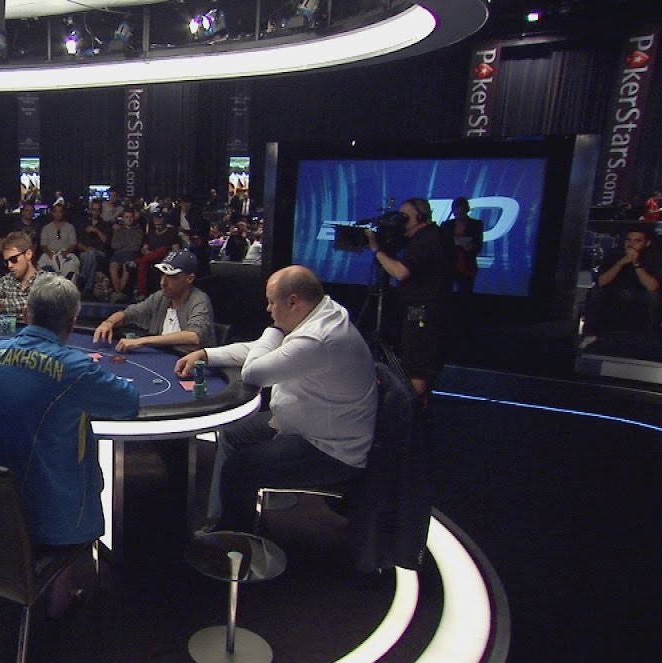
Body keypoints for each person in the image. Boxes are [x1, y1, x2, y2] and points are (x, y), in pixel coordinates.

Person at [0, 274, 139, 613]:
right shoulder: (75, 367)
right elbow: (128, 402)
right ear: (71, 322)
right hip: (49, 515)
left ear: (25, 314)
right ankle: (58, 605)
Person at [175, 266, 377, 532]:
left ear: (293, 301)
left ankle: (233, 537)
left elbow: (253, 371)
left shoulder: (319, 338)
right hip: (307, 426)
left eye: (271, 302)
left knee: (239, 469)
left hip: (330, 449)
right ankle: (219, 521)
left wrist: (274, 329)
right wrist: (206, 355)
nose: (268, 309)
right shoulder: (319, 314)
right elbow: (262, 351)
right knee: (232, 433)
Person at [366, 197, 455, 405]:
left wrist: (376, 249)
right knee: (422, 368)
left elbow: (400, 272)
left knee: (417, 369)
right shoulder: (435, 235)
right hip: (432, 312)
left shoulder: (427, 239)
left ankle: (412, 415)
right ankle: (418, 412)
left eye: (405, 217)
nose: (401, 221)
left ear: (420, 217)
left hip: (423, 314)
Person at [93, 250, 215, 351]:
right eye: (163, 274)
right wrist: (108, 323)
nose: (163, 282)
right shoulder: (160, 297)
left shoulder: (199, 300)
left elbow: (193, 336)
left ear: (190, 278)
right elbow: (128, 313)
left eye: (172, 276)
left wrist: (141, 341)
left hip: (191, 365)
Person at [583, 226, 662, 338]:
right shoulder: (613, 254)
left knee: (652, 297)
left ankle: (648, 337)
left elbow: (652, 287)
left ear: (647, 243)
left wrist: (636, 263)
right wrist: (620, 263)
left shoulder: (653, 257)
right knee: (596, 292)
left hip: (640, 292)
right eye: (629, 240)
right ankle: (590, 335)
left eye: (637, 241)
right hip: (613, 290)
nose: (631, 244)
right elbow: (601, 282)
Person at [442, 197, 485, 296]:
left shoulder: (476, 224)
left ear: (467, 210)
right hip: (449, 266)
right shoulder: (447, 225)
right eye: (457, 212)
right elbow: (441, 244)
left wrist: (471, 247)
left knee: (465, 294)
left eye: (461, 212)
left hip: (467, 266)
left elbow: (478, 245)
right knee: (445, 294)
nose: (459, 215)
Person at [107, 207, 144, 301]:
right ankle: (119, 293)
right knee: (113, 268)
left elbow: (136, 246)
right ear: (123, 218)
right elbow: (114, 245)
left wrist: (123, 244)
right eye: (127, 217)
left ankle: (118, 293)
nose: (129, 219)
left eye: (131, 217)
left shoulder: (138, 230)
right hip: (118, 255)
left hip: (131, 255)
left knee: (126, 268)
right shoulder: (118, 230)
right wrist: (128, 243)